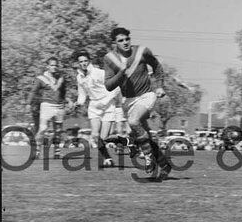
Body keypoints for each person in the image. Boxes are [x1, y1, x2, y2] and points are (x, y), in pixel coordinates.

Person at [103, 27, 172, 180]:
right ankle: (165, 165)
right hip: (128, 100)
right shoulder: (110, 59)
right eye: (120, 40)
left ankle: (148, 157)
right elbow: (108, 85)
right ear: (114, 43)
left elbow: (157, 67)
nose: (125, 42)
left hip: (146, 96)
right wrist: (121, 72)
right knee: (144, 137)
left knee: (134, 121)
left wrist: (159, 85)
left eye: (127, 39)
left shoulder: (142, 51)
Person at [72, 49, 123, 167]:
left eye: (85, 61)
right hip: (94, 106)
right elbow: (82, 95)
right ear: (78, 63)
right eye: (81, 62)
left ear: (89, 61)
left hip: (108, 105)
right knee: (95, 135)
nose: (83, 63)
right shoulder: (79, 77)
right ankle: (108, 159)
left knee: (104, 137)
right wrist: (78, 103)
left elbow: (116, 88)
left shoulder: (99, 73)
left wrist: (105, 101)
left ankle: (126, 142)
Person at [27, 56, 69, 158]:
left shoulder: (61, 78)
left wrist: (66, 101)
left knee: (58, 131)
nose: (54, 67)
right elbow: (33, 91)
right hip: (47, 105)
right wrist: (28, 103)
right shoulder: (40, 78)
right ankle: (36, 151)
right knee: (43, 128)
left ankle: (57, 152)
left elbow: (63, 92)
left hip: (59, 106)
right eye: (52, 65)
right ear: (47, 66)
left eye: (56, 65)